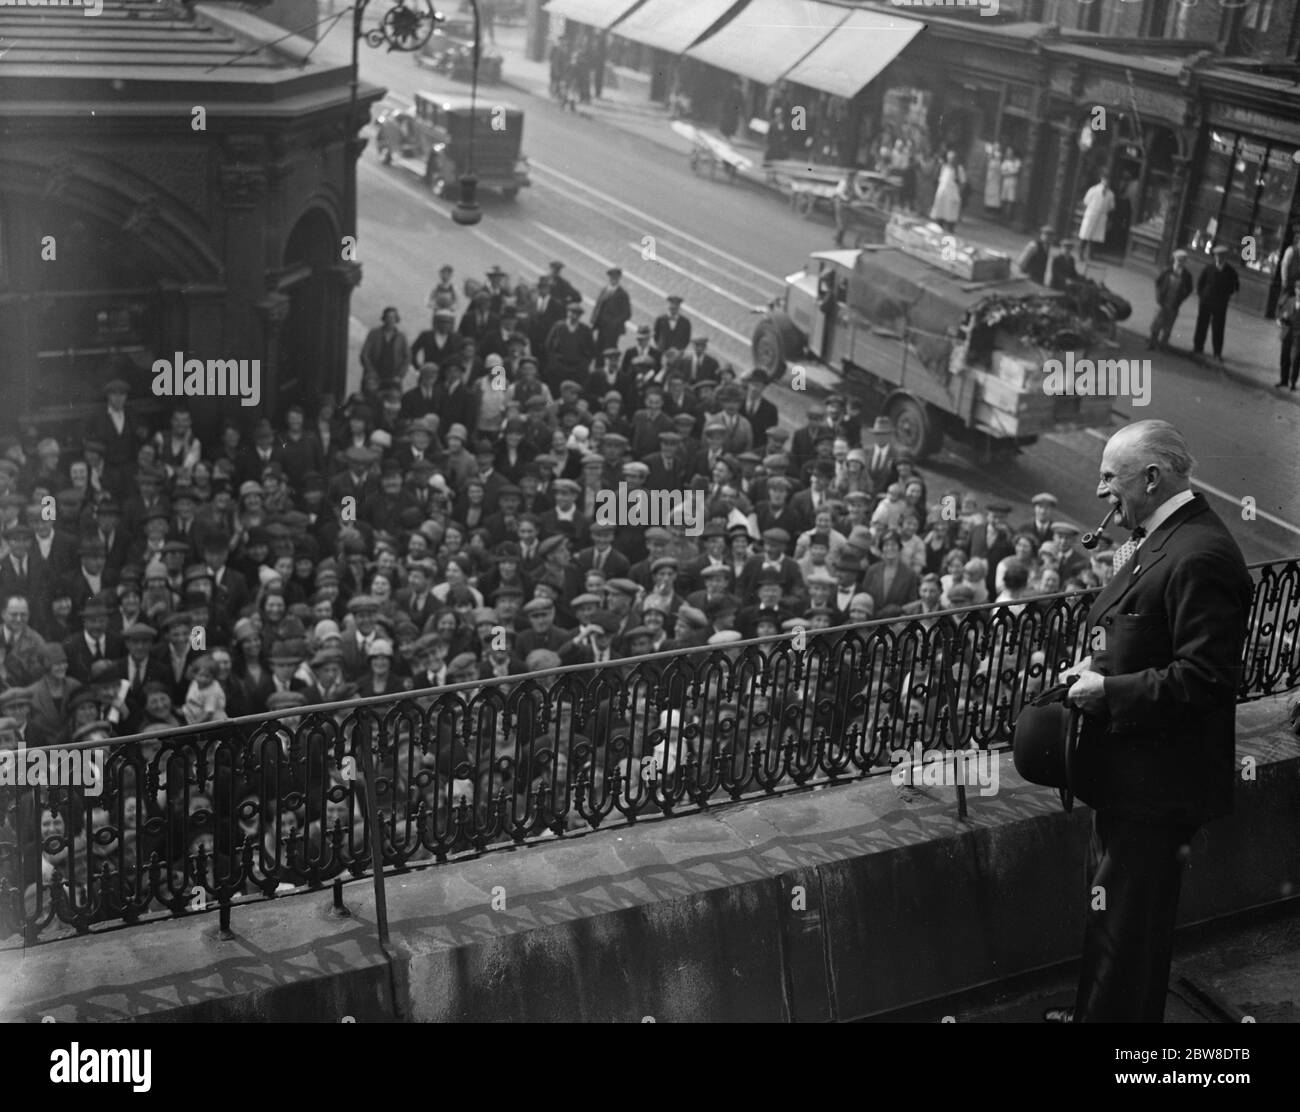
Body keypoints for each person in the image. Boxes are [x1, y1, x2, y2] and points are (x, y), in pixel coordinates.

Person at [1048, 419, 1251, 1023]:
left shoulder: (1201, 555)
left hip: (1158, 788)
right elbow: (1151, 636)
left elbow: (1205, 681)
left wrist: (1107, 690)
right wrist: (1100, 662)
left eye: (1110, 477)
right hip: (1134, 778)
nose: (1102, 491)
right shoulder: (1168, 539)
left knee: (1127, 934)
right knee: (1116, 922)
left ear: (1152, 478)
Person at [1192, 245, 1240, 365]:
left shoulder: (1230, 271)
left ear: (1225, 257)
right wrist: (1202, 296)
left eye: (1221, 256)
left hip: (1220, 304)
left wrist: (1226, 295)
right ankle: (1198, 348)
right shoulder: (1209, 268)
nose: (1219, 258)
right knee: (1202, 324)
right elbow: (1200, 283)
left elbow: (1236, 286)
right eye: (1217, 256)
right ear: (1214, 257)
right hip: (1206, 302)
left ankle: (1217, 353)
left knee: (1218, 328)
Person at [1147, 249, 1193, 352]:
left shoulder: (1186, 275)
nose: (1179, 263)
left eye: (1182, 261)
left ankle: (1163, 345)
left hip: (1174, 303)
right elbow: (1158, 282)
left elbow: (1189, 289)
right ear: (1174, 260)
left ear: (1185, 262)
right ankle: (1152, 343)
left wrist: (1181, 298)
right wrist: (1159, 296)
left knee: (1168, 325)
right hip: (1163, 302)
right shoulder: (1167, 270)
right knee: (1156, 324)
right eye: (1178, 260)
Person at [360, 307, 410, 384]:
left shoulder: (401, 337)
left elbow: (407, 358)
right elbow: (364, 354)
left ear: (396, 319)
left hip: (393, 377)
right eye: (388, 317)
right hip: (373, 377)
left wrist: (400, 375)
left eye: (393, 317)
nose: (390, 320)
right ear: (384, 318)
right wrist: (371, 371)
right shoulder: (374, 333)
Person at [590, 266, 632, 352]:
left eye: (615, 277)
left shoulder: (622, 294)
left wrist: (615, 322)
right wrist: (593, 320)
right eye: (612, 277)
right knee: (599, 347)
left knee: (610, 349)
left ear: (619, 278)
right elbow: (598, 306)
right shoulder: (605, 290)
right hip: (601, 326)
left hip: (613, 330)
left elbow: (627, 313)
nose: (613, 279)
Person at [1077, 172, 1114, 263]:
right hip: (1091, 214)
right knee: (1085, 234)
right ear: (1102, 180)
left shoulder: (1110, 194)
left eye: (1108, 181)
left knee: (1095, 236)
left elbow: (1111, 206)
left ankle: (1090, 254)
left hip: (1101, 216)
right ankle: (1081, 253)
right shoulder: (1093, 190)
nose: (1106, 182)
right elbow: (1086, 201)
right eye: (1105, 180)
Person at [1275, 276, 1300, 391]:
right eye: (1298, 289)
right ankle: (1283, 380)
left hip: (1298, 335)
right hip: (1287, 332)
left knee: (1295, 358)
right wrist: (1280, 319)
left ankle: (1292, 382)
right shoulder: (1290, 300)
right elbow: (1280, 313)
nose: (1299, 291)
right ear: (1295, 290)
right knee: (1284, 356)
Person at [929, 150, 963, 232]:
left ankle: (950, 228)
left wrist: (959, 193)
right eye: (950, 158)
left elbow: (963, 182)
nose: (951, 160)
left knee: (950, 212)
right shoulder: (943, 167)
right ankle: (939, 225)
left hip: (952, 193)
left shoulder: (959, 168)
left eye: (953, 158)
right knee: (940, 210)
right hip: (942, 192)